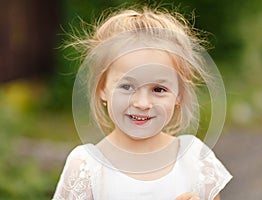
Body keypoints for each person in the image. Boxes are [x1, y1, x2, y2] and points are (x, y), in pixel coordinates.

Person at [52, 6, 232, 200]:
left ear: (179, 94)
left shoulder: (195, 159)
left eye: (158, 90)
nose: (143, 103)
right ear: (102, 88)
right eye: (127, 87)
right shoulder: (86, 167)